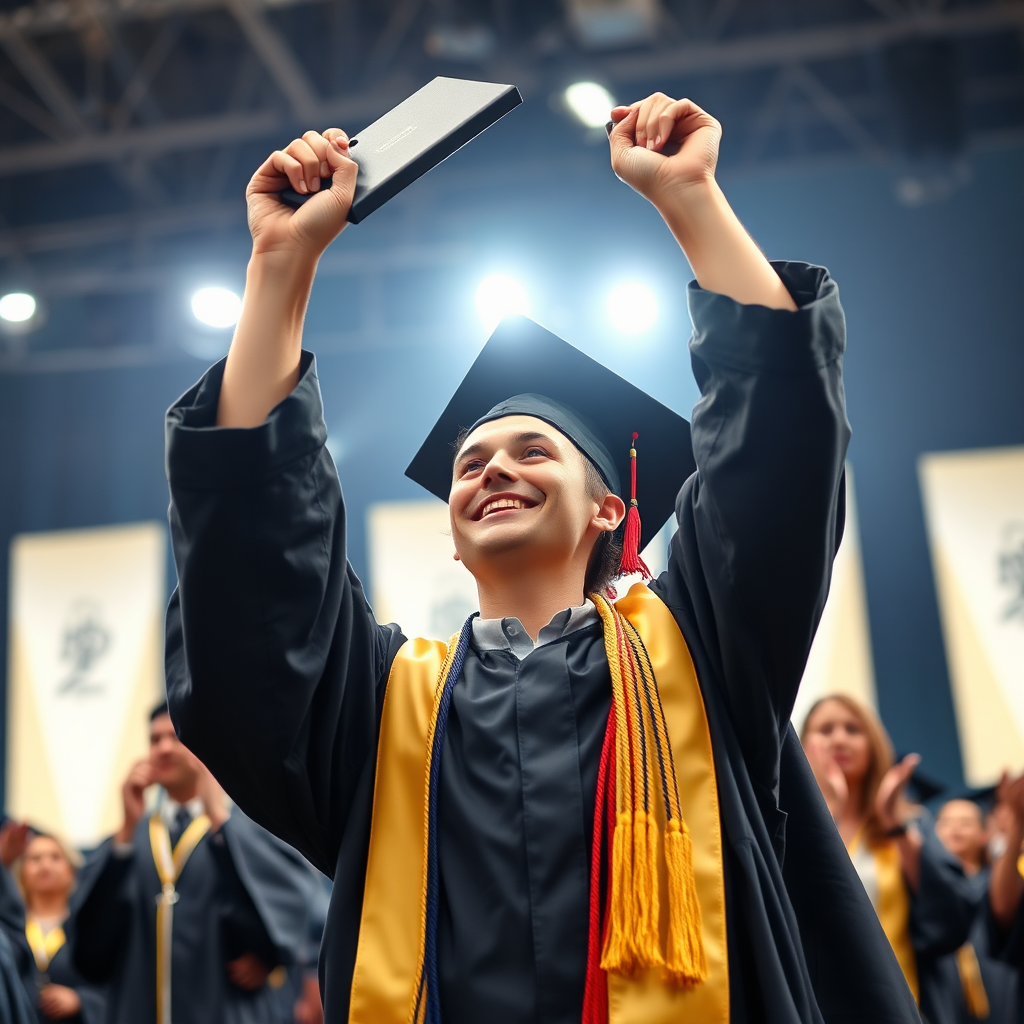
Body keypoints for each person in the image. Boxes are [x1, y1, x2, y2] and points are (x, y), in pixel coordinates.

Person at [163, 92, 920, 1023]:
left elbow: (779, 457)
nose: (493, 470)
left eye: (532, 452)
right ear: (453, 536)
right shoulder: (385, 707)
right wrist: (280, 267)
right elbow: (253, 588)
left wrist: (692, 200)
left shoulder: (702, 650)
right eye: (470, 464)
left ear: (611, 510)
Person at [70, 703, 314, 1024]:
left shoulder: (246, 831)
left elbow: (288, 923)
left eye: (176, 737)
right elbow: (91, 953)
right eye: (155, 740)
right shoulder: (130, 841)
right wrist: (126, 833)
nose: (163, 749)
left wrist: (218, 819)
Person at [802, 694, 981, 1023]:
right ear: (802, 744)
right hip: (817, 1006)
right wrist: (826, 812)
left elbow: (951, 921)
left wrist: (894, 826)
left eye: (852, 729)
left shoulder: (910, 824)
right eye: (825, 730)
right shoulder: (789, 825)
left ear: (872, 743)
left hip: (902, 1005)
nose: (839, 739)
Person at [0, 825, 103, 1023]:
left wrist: (81, 1000)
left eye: (55, 857)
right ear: (22, 872)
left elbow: (114, 988)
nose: (45, 866)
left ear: (72, 870)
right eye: (35, 859)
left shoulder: (88, 926)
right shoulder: (9, 927)